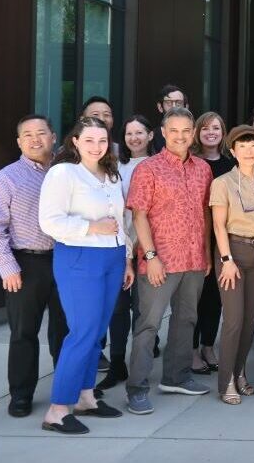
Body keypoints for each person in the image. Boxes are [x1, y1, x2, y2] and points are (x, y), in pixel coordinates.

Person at [37, 117, 131, 434]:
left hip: (113, 256)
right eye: (89, 140)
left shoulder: (111, 174)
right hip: (80, 257)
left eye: (102, 140)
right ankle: (57, 409)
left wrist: (127, 258)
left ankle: (86, 398)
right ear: (75, 141)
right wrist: (90, 227)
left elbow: (122, 221)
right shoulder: (63, 173)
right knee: (82, 332)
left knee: (97, 332)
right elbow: (49, 221)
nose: (96, 146)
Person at [125, 108, 213, 415]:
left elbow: (205, 213)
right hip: (159, 260)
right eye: (173, 130)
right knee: (148, 325)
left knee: (186, 319)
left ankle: (177, 377)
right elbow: (138, 215)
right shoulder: (148, 169)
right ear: (163, 132)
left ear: (193, 133)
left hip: (194, 259)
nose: (180, 136)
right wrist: (151, 257)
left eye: (185, 130)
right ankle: (137, 388)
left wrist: (207, 253)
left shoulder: (203, 168)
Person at [0, 114, 68, 418]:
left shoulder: (65, 173)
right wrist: (7, 266)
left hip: (65, 261)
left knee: (65, 330)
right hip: (25, 263)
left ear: (53, 137)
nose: (35, 139)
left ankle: (66, 390)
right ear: (19, 142)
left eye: (41, 133)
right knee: (23, 332)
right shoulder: (6, 178)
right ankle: (20, 395)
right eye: (28, 135)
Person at [208, 125, 254, 404]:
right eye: (242, 146)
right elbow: (219, 226)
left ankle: (240, 370)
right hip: (232, 253)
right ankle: (226, 382)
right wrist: (226, 260)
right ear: (233, 151)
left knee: (249, 321)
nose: (249, 151)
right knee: (233, 321)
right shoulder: (222, 183)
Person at [97, 115, 156, 393]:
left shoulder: (159, 166)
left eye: (140, 132)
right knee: (118, 308)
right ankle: (118, 362)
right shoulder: (113, 169)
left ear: (151, 135)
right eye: (129, 133)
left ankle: (140, 364)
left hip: (151, 247)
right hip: (120, 246)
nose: (135, 138)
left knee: (144, 309)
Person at [188, 112, 232, 378]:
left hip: (222, 238)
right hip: (195, 237)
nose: (211, 132)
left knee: (216, 297)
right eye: (205, 128)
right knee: (194, 297)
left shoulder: (230, 164)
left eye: (216, 127)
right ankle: (191, 349)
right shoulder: (191, 162)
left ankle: (207, 345)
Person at [150, 84, 189, 152]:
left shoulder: (195, 135)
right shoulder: (152, 137)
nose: (174, 106)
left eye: (178, 103)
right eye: (169, 103)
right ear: (160, 107)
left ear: (186, 107)